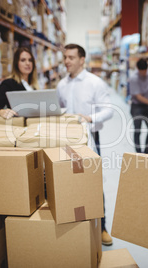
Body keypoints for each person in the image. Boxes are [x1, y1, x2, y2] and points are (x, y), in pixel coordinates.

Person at [56, 43, 114, 246]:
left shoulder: (94, 83)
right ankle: (76, 225)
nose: (66, 61)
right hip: (66, 139)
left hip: (90, 138)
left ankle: (103, 227)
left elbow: (109, 110)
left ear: (82, 60)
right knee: (68, 180)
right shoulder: (61, 85)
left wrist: (89, 118)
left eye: (71, 57)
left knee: (94, 180)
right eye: (65, 57)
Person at [0, 47, 39, 119]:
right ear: (16, 63)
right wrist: (2, 111)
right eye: (23, 60)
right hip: (19, 125)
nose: (28, 63)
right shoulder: (9, 83)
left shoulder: (33, 84)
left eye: (30, 60)